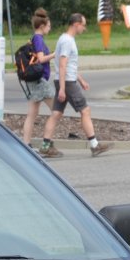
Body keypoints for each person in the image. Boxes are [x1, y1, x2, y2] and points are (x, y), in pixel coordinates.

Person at [44, 12, 109, 157]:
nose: (84, 28)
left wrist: (81, 79)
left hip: (65, 80)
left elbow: (69, 65)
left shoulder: (63, 38)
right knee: (85, 111)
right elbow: (62, 65)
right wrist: (62, 88)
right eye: (83, 25)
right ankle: (94, 145)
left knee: (56, 114)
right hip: (67, 83)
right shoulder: (67, 41)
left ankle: (45, 146)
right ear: (76, 24)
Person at [19, 9, 61, 157]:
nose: (50, 28)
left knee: (32, 114)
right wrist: (55, 54)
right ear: (42, 26)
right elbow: (42, 59)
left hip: (34, 81)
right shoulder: (38, 39)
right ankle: (47, 144)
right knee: (57, 110)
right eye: (48, 25)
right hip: (39, 81)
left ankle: (26, 145)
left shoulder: (34, 38)